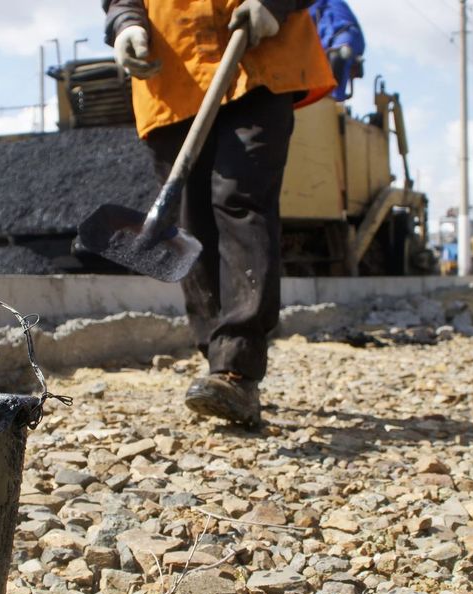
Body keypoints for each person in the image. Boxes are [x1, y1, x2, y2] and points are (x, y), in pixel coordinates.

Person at [103, 0, 333, 426]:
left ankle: (237, 368)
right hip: (172, 72)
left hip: (257, 61)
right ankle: (218, 360)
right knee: (191, 221)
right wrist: (124, 24)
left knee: (239, 200)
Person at [309, 0, 364, 102]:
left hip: (345, 35)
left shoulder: (319, 5)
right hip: (338, 39)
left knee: (338, 55)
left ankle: (334, 100)